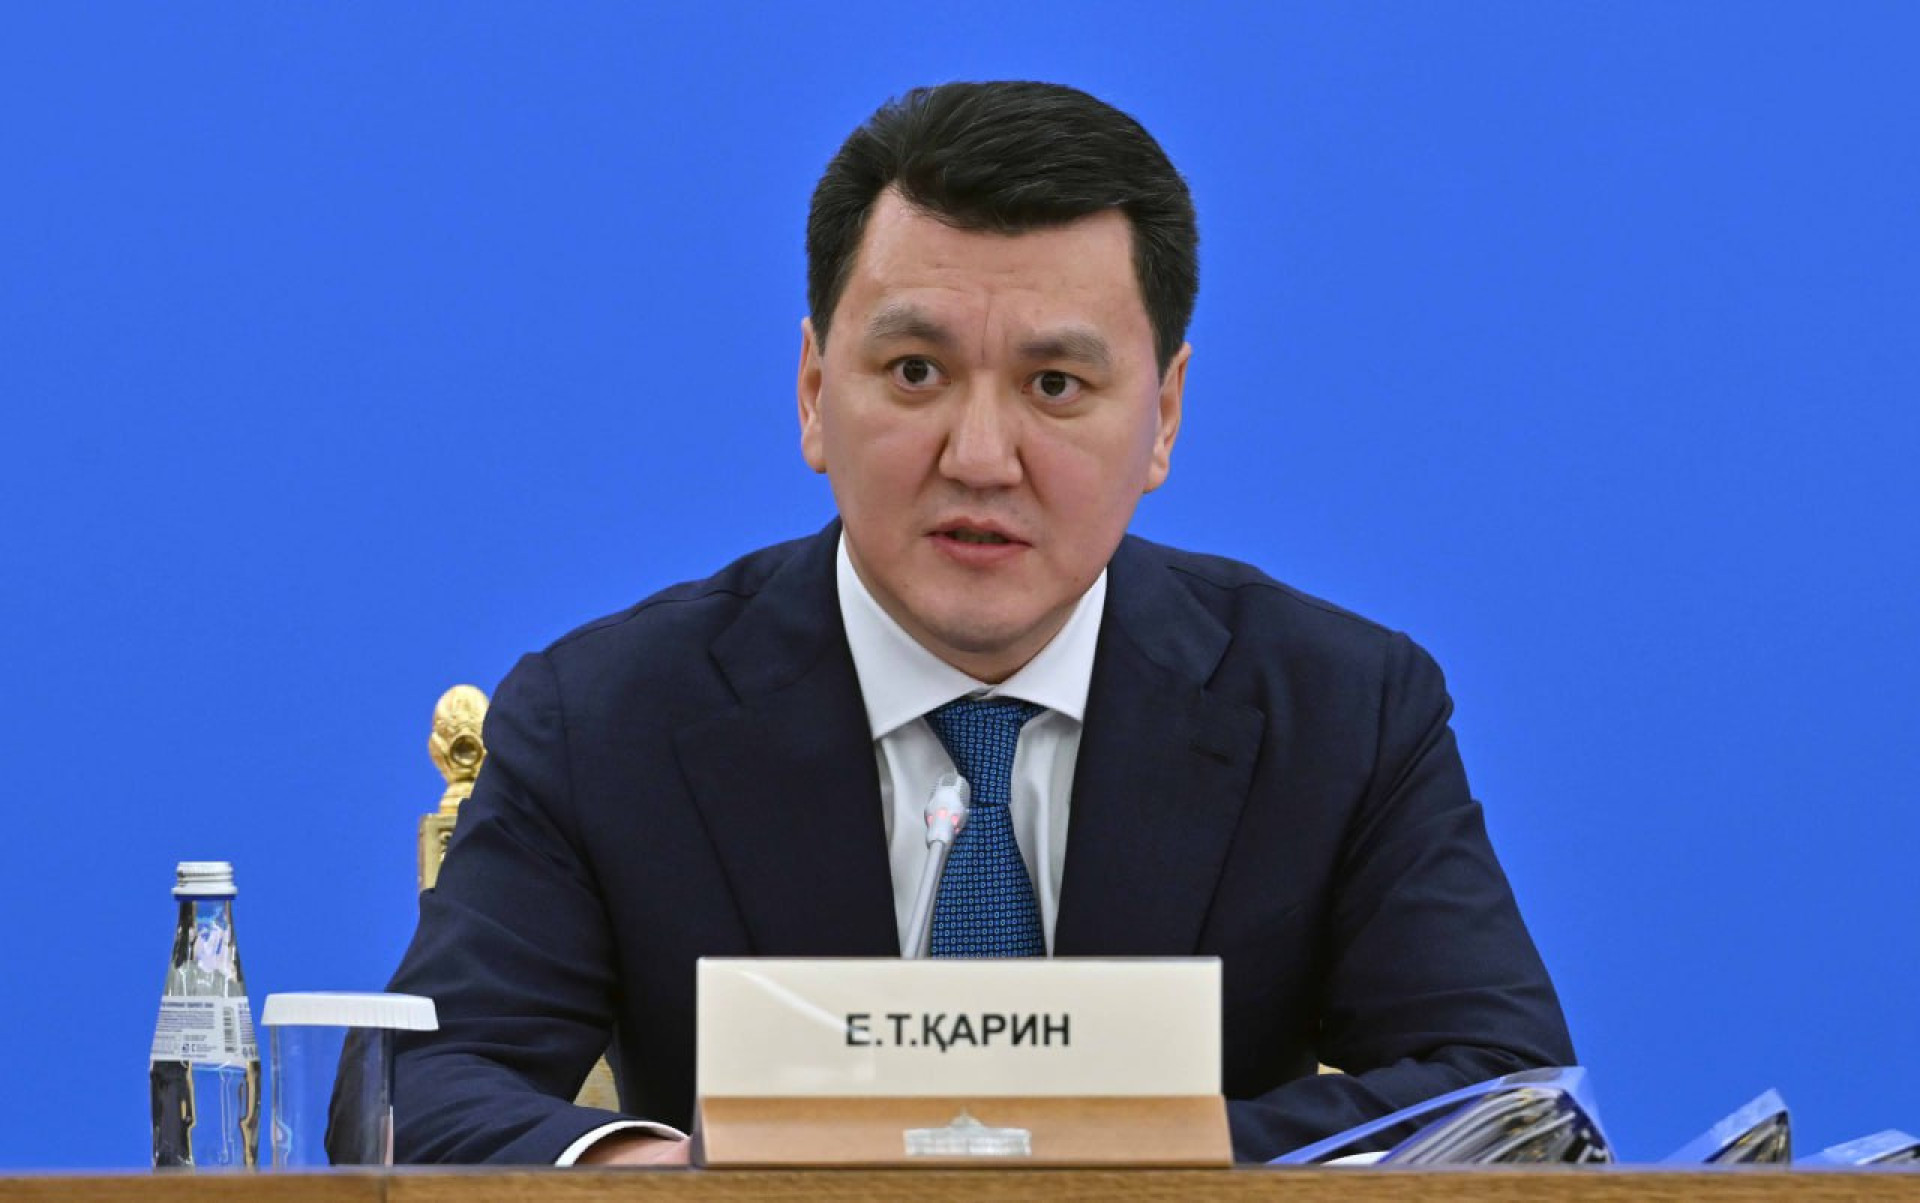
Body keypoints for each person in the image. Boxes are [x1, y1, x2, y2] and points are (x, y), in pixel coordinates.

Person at [386, 79, 1574, 1166]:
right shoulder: (609, 718)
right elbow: (415, 1088)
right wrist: (690, 1183)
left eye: (1056, 386)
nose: (982, 456)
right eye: (916, 372)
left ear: (1162, 418)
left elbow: (1505, 1095)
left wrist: (1107, 1158)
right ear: (814, 393)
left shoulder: (1338, 712)